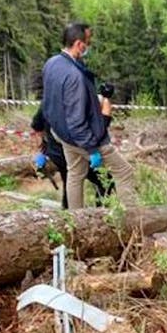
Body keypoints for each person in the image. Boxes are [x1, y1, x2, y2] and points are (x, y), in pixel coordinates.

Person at [40, 22, 136, 209]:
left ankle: (76, 222)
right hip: (82, 137)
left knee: (75, 174)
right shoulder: (74, 76)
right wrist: (92, 149)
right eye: (88, 42)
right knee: (124, 171)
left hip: (62, 134)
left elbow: (55, 101)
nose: (89, 46)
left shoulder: (52, 63)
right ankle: (132, 219)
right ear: (78, 44)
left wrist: (96, 98)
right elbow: (77, 120)